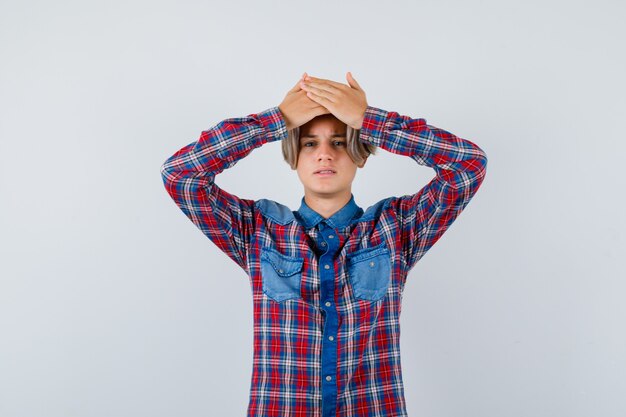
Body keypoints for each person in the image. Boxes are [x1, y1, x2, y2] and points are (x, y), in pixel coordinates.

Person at [160, 72, 488, 417]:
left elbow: (468, 164)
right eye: (309, 143)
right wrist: (277, 121)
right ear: (294, 157)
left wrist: (368, 120)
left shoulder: (397, 228)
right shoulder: (257, 230)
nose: (324, 155)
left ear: (360, 154)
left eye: (340, 142)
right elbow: (181, 176)